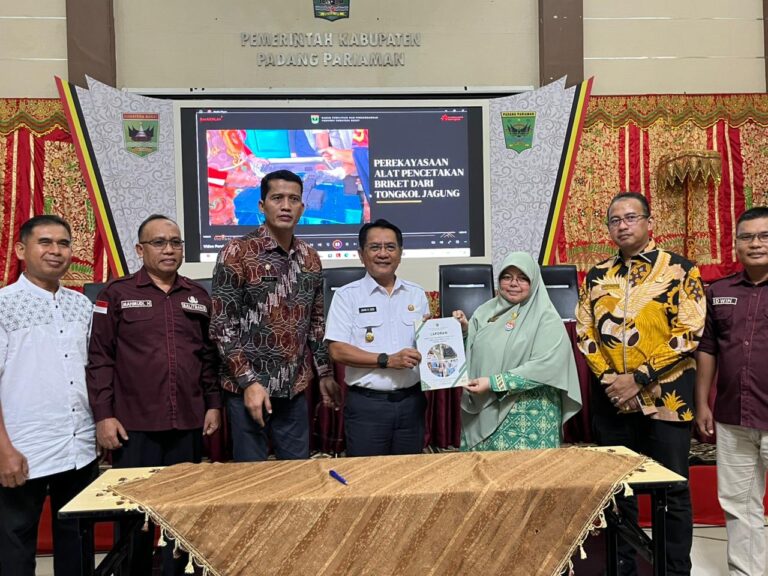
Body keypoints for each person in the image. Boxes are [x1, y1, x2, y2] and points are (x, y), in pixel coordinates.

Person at [576, 191, 705, 576]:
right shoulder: (597, 275)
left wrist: (639, 378)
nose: (622, 226)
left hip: (667, 400)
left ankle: (674, 570)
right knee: (619, 494)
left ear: (649, 222)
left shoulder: (680, 270)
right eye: (615, 220)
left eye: (631, 217)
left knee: (674, 491)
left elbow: (689, 332)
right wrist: (611, 380)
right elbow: (585, 332)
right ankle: (624, 568)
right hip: (613, 402)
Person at [87, 214, 221, 576]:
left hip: (187, 422)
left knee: (182, 516)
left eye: (175, 242)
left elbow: (209, 358)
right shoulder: (116, 294)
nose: (169, 249)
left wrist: (213, 405)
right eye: (159, 242)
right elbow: (99, 359)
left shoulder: (197, 295)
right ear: (140, 249)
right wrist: (103, 415)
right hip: (135, 426)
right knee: (135, 519)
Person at [210, 169, 339, 462]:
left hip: (294, 388)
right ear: (262, 205)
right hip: (247, 388)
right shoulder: (237, 252)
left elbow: (316, 322)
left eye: (293, 199)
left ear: (302, 207)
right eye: (277, 198)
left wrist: (325, 373)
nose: (286, 206)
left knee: (296, 474)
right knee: (253, 476)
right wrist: (248, 382)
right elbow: (222, 327)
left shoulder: (310, 257)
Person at [0, 215, 98, 576]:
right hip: (22, 450)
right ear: (20, 250)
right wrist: (3, 449)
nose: (56, 251)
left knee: (77, 547)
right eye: (45, 242)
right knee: (14, 551)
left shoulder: (82, 305)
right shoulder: (4, 305)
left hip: (78, 448)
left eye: (63, 243)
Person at [695, 207, 768, 576]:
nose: (755, 243)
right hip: (732, 415)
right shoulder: (719, 292)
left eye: (764, 236)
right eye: (747, 237)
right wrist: (701, 403)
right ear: (736, 244)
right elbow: (708, 349)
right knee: (739, 504)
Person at [455, 252, 582, 451]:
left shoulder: (547, 318)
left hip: (529, 416)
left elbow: (546, 367)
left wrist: (494, 383)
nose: (513, 283)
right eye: (507, 277)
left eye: (522, 278)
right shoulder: (484, 312)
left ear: (534, 282)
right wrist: (464, 332)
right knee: (482, 469)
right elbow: (472, 354)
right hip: (485, 407)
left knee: (525, 471)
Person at [325, 219, 430, 456]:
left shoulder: (416, 294)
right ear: (361, 254)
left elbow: (428, 344)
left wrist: (452, 331)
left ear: (400, 254)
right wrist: (387, 360)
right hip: (368, 407)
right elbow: (337, 350)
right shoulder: (346, 296)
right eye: (375, 247)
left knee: (409, 472)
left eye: (390, 247)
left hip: (411, 403)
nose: (383, 254)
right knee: (367, 474)